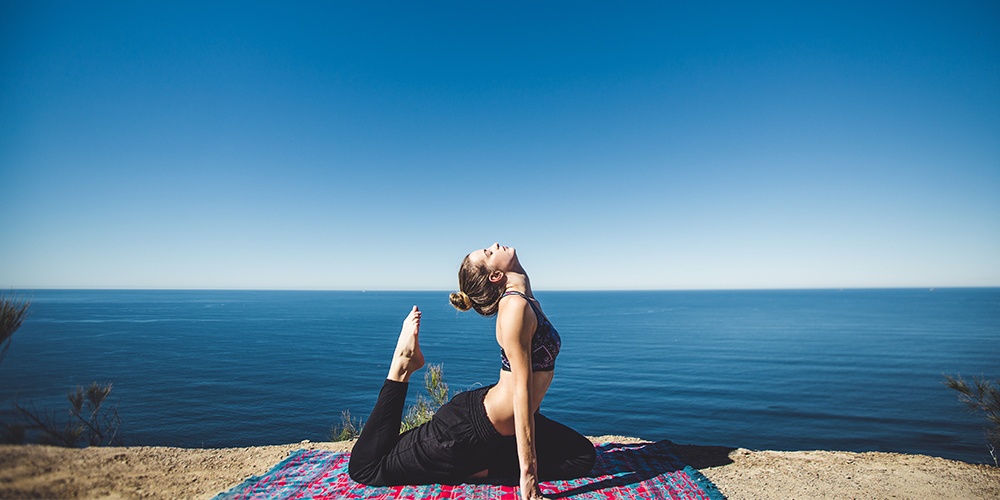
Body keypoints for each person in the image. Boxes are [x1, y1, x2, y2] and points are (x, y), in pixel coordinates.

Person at [348, 243, 596, 500]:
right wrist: (529, 479)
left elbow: (530, 391)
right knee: (367, 468)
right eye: (489, 253)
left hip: (499, 428)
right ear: (496, 276)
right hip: (466, 431)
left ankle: (477, 467)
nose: (494, 246)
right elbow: (521, 393)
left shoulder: (526, 301)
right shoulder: (515, 308)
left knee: (582, 456)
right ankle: (402, 366)